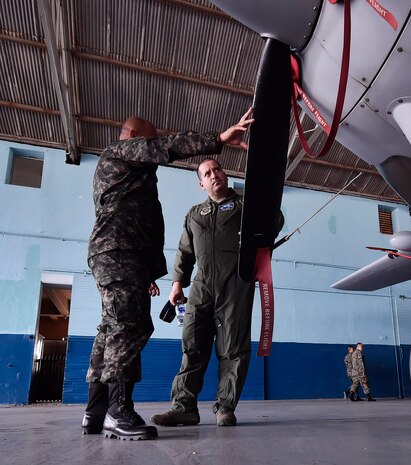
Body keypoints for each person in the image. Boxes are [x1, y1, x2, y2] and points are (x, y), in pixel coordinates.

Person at [81, 109, 254, 440]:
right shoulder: (121, 151)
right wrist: (217, 139)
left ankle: (95, 410)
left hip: (120, 256)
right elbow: (168, 147)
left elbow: (135, 218)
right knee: (128, 325)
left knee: (109, 328)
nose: (153, 145)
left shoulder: (129, 172)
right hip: (119, 253)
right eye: (149, 138)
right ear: (134, 137)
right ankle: (118, 412)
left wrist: (147, 270)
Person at [150, 158, 283, 428]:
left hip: (236, 283)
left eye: (217, 169)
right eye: (207, 173)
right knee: (192, 346)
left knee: (233, 348)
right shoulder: (195, 214)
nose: (214, 175)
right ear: (202, 184)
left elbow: (276, 218)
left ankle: (225, 408)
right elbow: (184, 251)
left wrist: (259, 230)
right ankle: (183, 407)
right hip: (201, 286)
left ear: (224, 173)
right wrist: (177, 283)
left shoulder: (246, 204)